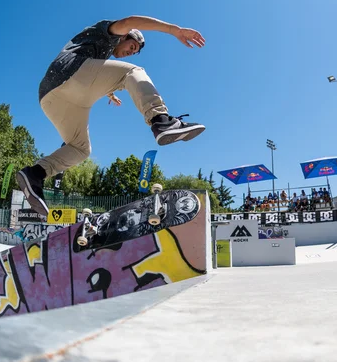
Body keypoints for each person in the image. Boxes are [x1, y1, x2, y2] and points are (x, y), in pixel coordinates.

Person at [16, 16, 207, 216]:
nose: (129, 53)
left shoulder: (99, 54)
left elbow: (96, 72)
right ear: (124, 36)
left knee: (80, 149)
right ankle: (161, 121)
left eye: (133, 52)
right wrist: (174, 30)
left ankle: (35, 173)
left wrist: (110, 93)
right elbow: (130, 21)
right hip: (69, 75)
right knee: (133, 72)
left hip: (51, 98)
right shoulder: (108, 32)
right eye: (131, 47)